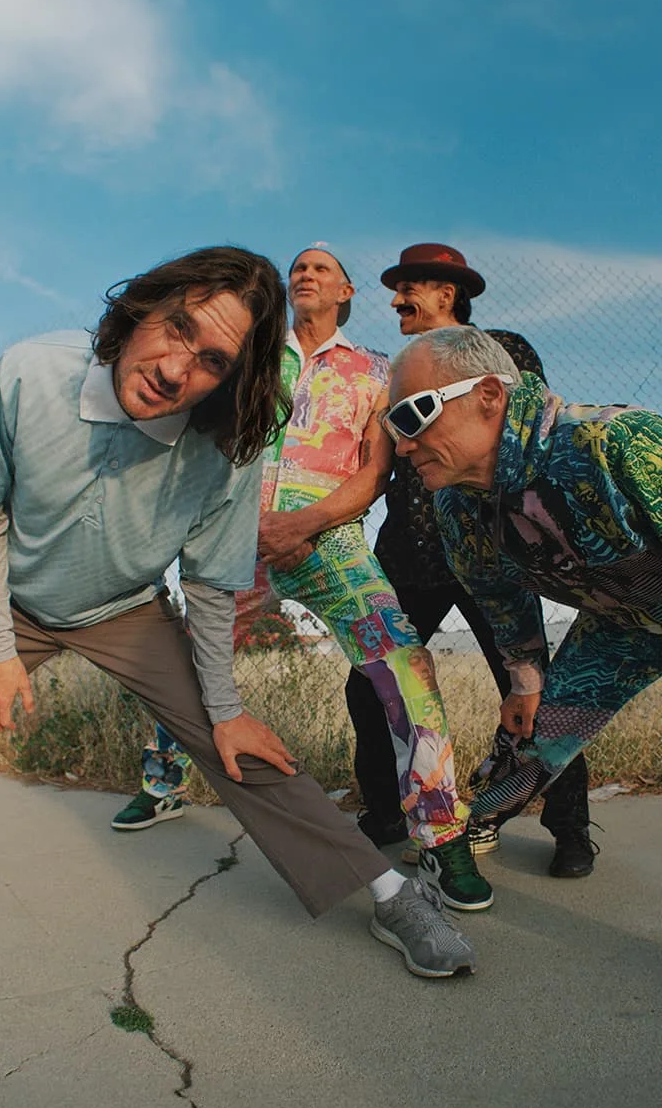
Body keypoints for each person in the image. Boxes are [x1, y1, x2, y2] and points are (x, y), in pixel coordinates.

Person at [0, 245, 477, 980]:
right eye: (177, 328)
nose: (178, 369)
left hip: (126, 608)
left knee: (237, 738)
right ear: (139, 307)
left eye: (212, 360)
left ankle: (393, 894)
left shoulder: (228, 444)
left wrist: (223, 706)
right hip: (9, 595)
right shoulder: (30, 371)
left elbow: (212, 585)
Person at [112, 244, 493, 913]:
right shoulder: (250, 359)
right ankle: (161, 782)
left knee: (407, 665)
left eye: (321, 268)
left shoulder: (377, 370)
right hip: (236, 537)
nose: (305, 275)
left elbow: (376, 474)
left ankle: (440, 832)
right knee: (188, 666)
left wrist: (305, 523)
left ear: (345, 291)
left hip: (331, 537)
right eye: (297, 268)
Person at [346, 244, 594, 878]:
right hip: (410, 555)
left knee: (535, 688)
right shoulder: (394, 373)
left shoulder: (501, 350)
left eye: (409, 288)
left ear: (446, 293)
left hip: (494, 554)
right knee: (369, 681)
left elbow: (530, 432)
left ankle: (568, 829)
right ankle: (384, 810)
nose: (396, 300)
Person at [384, 324, 662, 836]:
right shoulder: (457, 508)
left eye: (411, 416)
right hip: (624, 628)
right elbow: (499, 599)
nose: (402, 446)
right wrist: (526, 683)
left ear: (488, 394)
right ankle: (461, 837)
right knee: (531, 750)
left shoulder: (616, 443)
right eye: (391, 427)